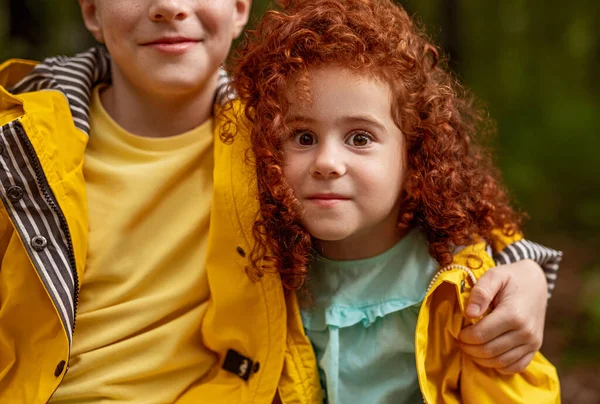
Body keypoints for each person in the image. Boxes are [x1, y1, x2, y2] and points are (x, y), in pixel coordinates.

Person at [0, 0, 560, 402]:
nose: (171, 6)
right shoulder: (23, 139)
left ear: (240, 6)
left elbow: (461, 215)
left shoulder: (270, 132)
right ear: (91, 10)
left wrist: (528, 273)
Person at [232, 0, 561, 402]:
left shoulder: (458, 270)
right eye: (304, 137)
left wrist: (530, 277)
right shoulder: (264, 259)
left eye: (359, 138)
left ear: (414, 154)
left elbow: (521, 268)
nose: (327, 163)